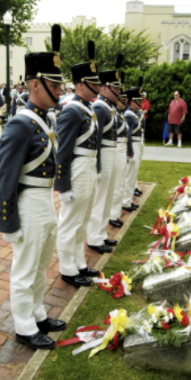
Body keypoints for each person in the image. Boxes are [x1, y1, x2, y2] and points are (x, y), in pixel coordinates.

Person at [0, 24, 66, 351]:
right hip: (27, 203)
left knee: (41, 263)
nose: (60, 90)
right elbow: (4, 177)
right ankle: (24, 326)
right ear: (36, 84)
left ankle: (37, 314)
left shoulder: (45, 119)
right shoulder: (21, 123)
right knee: (25, 267)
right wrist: (8, 223)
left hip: (44, 200)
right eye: (55, 84)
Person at [55, 41, 100, 288]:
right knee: (70, 221)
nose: (97, 88)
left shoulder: (87, 107)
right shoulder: (73, 110)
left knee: (82, 219)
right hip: (78, 168)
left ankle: (79, 263)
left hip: (88, 167)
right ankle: (67, 268)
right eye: (93, 84)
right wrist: (63, 184)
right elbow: (63, 152)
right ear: (80, 84)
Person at [87, 54, 123, 254]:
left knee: (107, 197)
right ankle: (94, 237)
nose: (118, 91)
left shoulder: (109, 107)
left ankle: (100, 234)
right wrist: (98, 165)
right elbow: (96, 139)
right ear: (103, 88)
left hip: (112, 154)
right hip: (104, 156)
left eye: (118, 88)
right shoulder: (100, 108)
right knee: (100, 198)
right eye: (115, 88)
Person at [109, 71, 129, 228]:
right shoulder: (114, 113)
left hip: (121, 148)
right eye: (122, 99)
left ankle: (114, 213)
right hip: (115, 149)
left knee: (120, 183)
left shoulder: (119, 114)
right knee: (115, 185)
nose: (124, 102)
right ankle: (113, 214)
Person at [122, 77, 143, 212]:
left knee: (133, 174)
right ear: (132, 101)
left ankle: (128, 199)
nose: (141, 103)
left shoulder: (134, 113)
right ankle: (126, 201)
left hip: (137, 143)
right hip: (133, 145)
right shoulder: (129, 115)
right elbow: (127, 135)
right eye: (138, 100)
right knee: (129, 176)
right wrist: (130, 152)